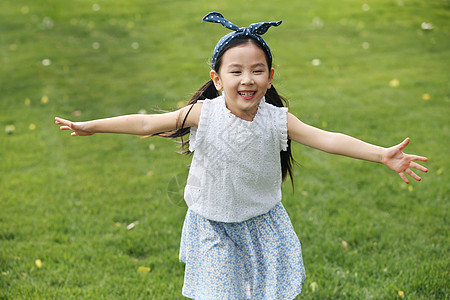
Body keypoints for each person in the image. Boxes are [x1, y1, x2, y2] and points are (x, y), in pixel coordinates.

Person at [55, 12, 428, 300]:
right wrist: (92, 125)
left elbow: (327, 139)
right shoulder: (204, 113)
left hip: (261, 225)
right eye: (236, 71)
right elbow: (145, 123)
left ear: (269, 78)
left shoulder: (277, 119)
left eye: (256, 70)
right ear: (217, 79)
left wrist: (382, 155)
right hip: (212, 226)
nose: (246, 79)